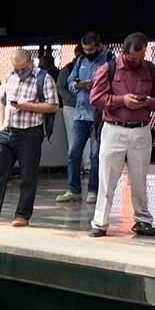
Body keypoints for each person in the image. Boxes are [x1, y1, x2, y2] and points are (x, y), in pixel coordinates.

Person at [88, 32, 155, 238]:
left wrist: (147, 101)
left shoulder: (151, 69)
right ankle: (100, 222)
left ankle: (142, 220)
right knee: (107, 177)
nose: (135, 62)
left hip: (141, 129)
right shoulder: (109, 69)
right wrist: (122, 100)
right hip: (114, 128)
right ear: (124, 52)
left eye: (139, 58)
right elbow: (96, 98)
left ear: (145, 51)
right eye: (132, 58)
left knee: (139, 178)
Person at [0, 49, 58, 228]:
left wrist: (29, 106)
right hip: (7, 132)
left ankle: (22, 215)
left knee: (28, 176)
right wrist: (1, 123)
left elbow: (52, 106)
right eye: (16, 69)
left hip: (30, 133)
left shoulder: (44, 78)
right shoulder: (10, 77)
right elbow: (1, 101)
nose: (19, 72)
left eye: (22, 69)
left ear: (30, 62)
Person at [57, 31, 108, 204]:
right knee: (73, 153)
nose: (87, 52)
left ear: (99, 46)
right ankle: (74, 190)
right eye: (85, 49)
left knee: (95, 155)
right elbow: (70, 82)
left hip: (98, 114)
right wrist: (78, 85)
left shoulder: (110, 60)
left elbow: (113, 83)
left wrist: (95, 85)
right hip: (80, 113)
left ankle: (93, 190)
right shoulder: (81, 60)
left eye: (91, 49)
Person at [56, 45, 85, 170]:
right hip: (71, 106)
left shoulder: (90, 67)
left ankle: (87, 164)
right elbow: (60, 86)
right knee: (73, 136)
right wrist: (70, 99)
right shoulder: (67, 69)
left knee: (87, 137)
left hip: (86, 106)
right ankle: (77, 165)